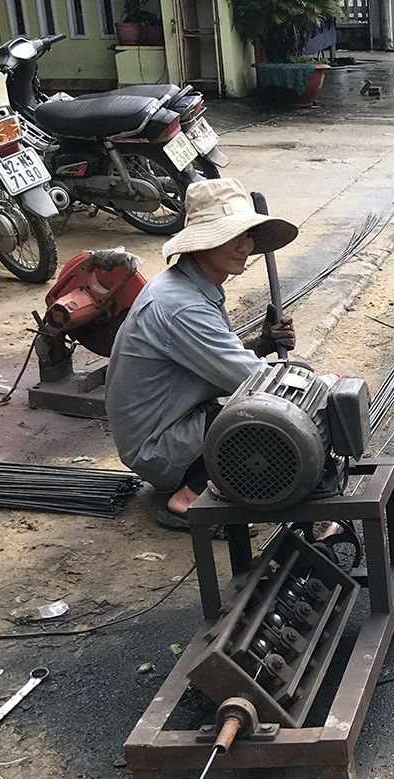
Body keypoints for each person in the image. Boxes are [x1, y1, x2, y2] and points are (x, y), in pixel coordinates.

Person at [105, 178, 299, 530]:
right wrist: (323, 387)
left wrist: (263, 344)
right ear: (202, 241)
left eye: (247, 235)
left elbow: (213, 361)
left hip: (176, 424)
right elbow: (250, 379)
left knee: (282, 396)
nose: (243, 246)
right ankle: (189, 496)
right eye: (231, 236)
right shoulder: (181, 305)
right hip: (158, 447)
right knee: (270, 415)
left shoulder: (193, 287)